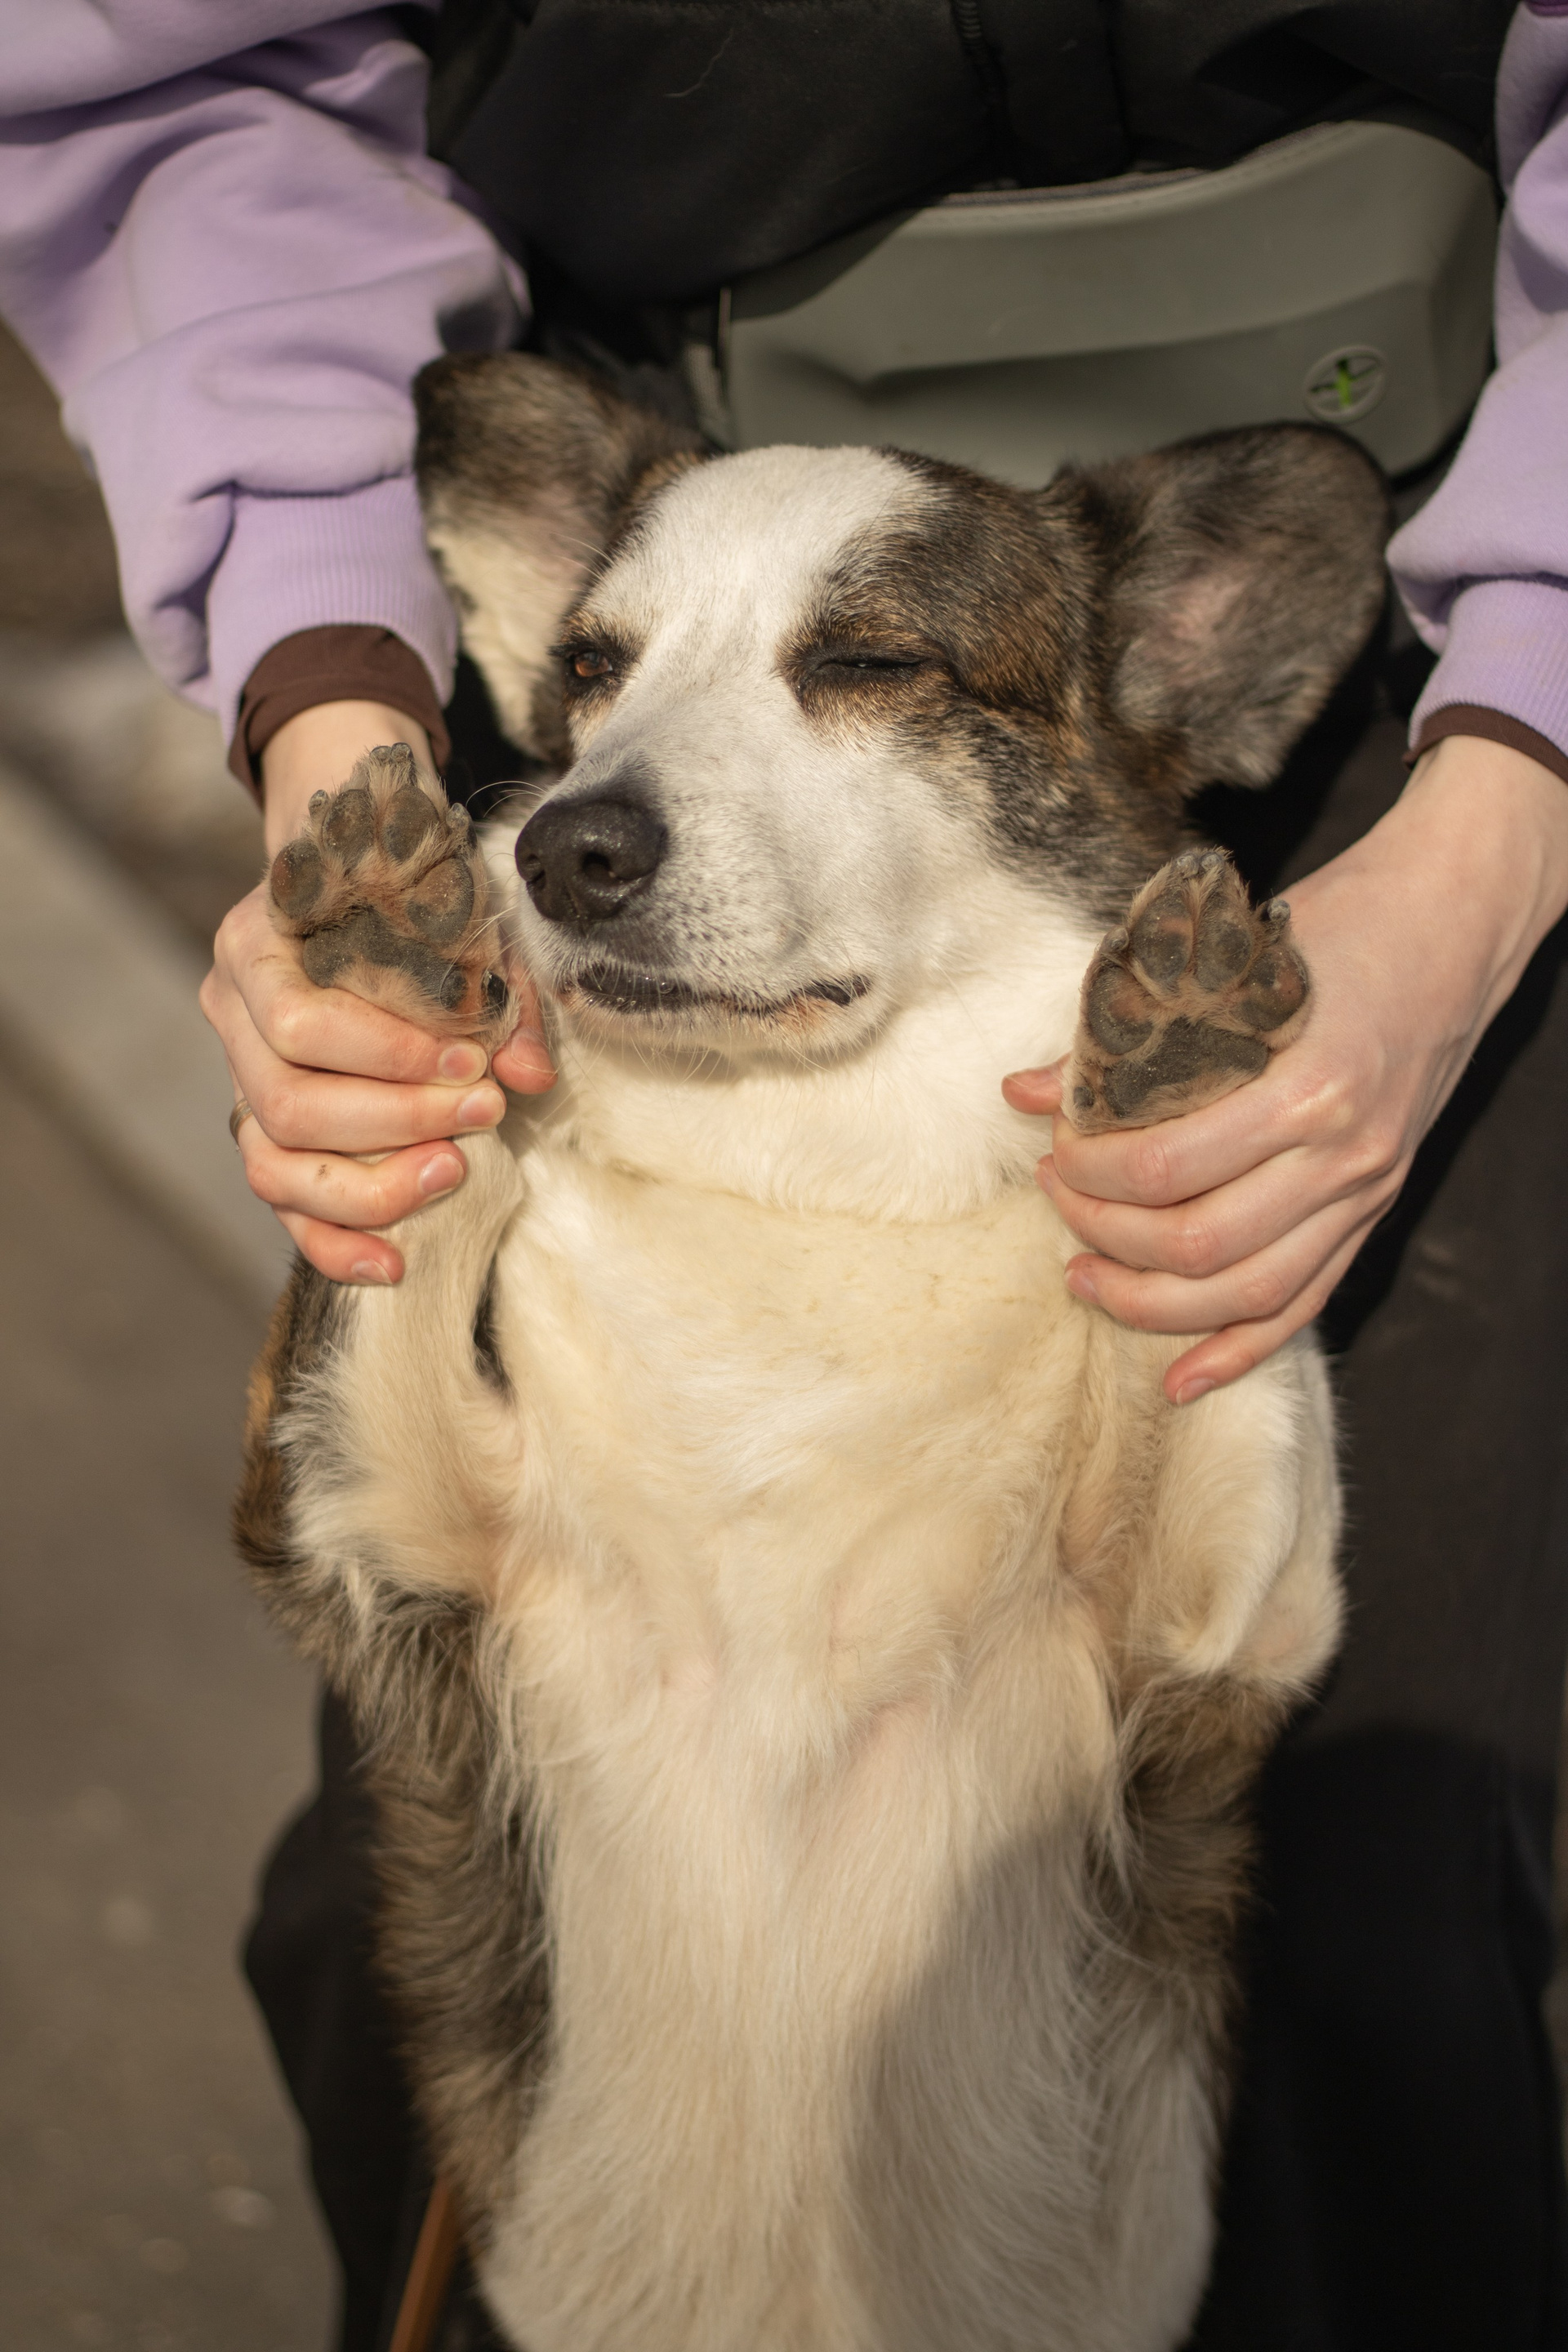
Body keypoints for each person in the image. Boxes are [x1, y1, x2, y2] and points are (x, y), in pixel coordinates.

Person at [5, 5, 1568, 2345]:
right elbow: (163, 85)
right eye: (603, 681)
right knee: (357, 1932)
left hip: (1454, 634)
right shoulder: (584, 777)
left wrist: (1507, 805)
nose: (601, 802)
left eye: (858, 672)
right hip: (655, 377)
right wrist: (342, 734)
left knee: (1370, 1936)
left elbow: (1200, 1634)